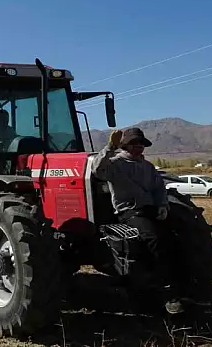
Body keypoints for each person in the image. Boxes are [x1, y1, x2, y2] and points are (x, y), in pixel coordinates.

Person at [91, 127, 187, 315]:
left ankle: (187, 284)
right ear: (125, 145)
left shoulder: (148, 167)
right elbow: (97, 170)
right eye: (134, 143)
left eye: (141, 144)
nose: (138, 147)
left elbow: (159, 189)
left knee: (178, 235)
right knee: (154, 240)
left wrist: (162, 206)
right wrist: (110, 147)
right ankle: (167, 291)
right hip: (129, 212)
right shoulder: (114, 164)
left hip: (151, 210)